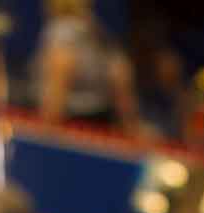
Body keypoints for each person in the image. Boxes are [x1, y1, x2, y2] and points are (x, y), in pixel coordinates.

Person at [31, 0, 136, 128]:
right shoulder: (96, 30)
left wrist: (45, 132)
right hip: (101, 122)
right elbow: (120, 77)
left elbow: (55, 104)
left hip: (71, 127)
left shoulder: (61, 32)